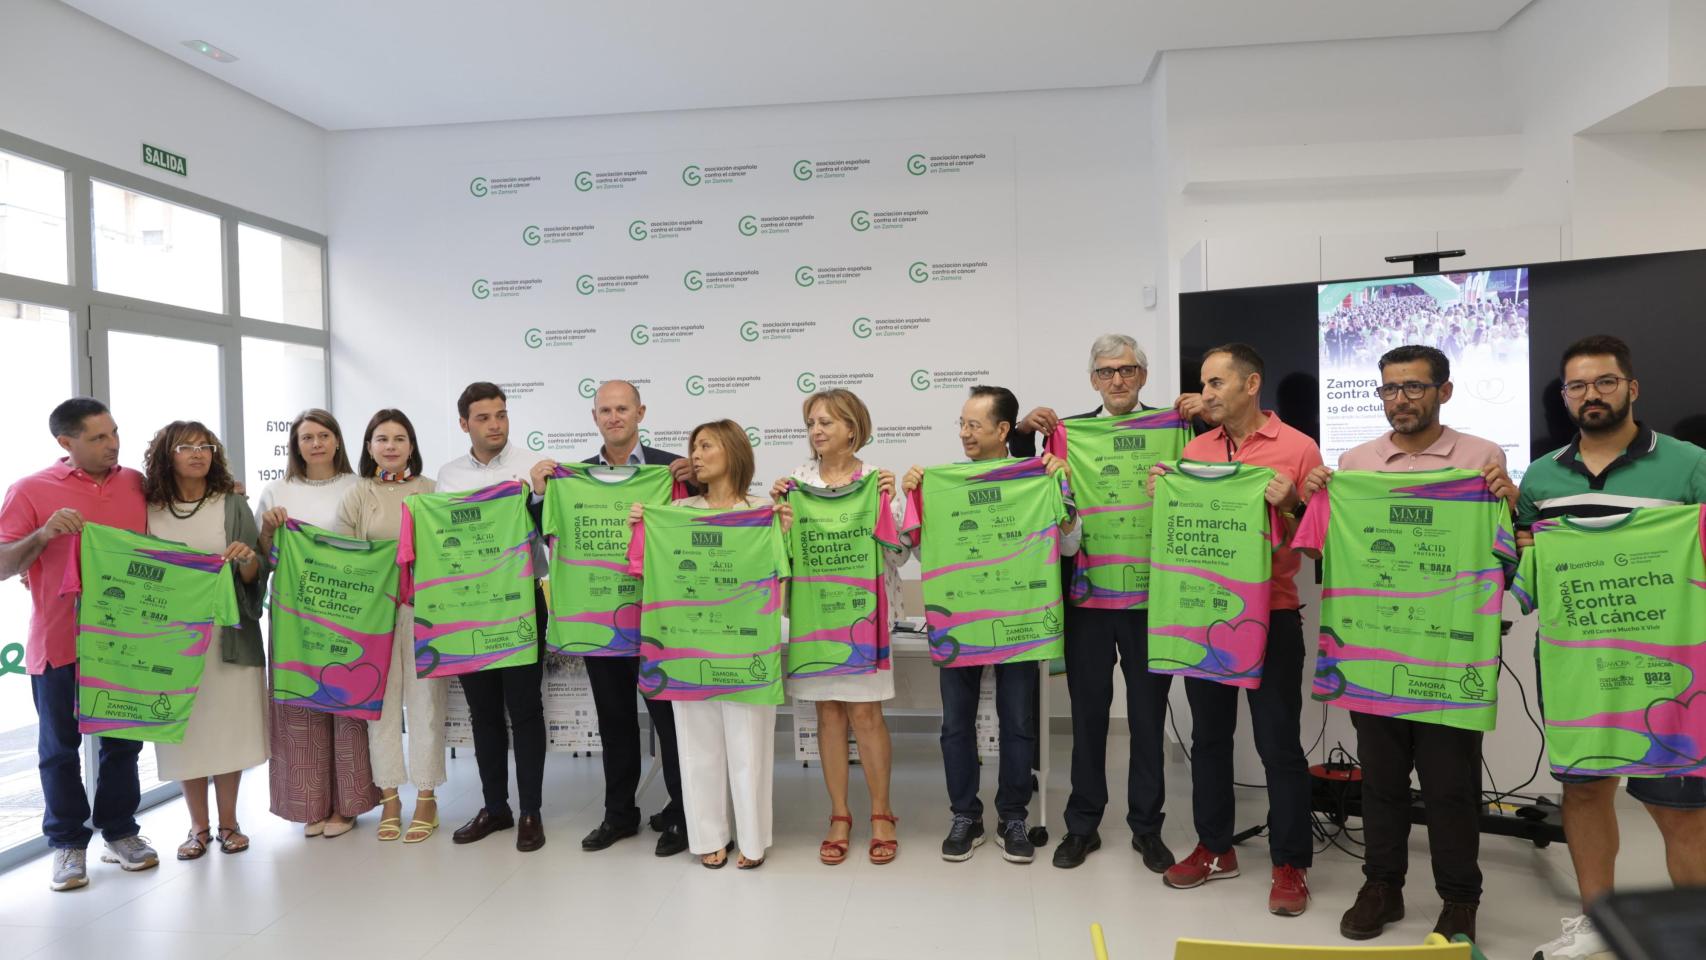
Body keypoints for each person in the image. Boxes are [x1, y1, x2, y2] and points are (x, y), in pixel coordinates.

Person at [1297, 346, 1515, 943]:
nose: (1401, 400)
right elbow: (1325, 553)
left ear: (1444, 391)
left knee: (1450, 784)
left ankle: (1459, 899)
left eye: (1414, 388)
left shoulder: (1481, 458)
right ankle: (1382, 886)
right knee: (1382, 780)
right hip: (1375, 648)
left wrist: (1508, 501)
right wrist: (1316, 497)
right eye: (1390, 389)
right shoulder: (1356, 461)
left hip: (1449, 652)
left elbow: (1505, 553)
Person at [1518, 336, 1706, 960]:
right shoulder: (1541, 476)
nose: (1591, 395)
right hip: (1576, 666)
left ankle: (1694, 929)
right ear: (1565, 396)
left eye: (1604, 382)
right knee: (1585, 792)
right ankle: (1597, 918)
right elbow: (1526, 558)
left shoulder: (1689, 464)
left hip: (1669, 669)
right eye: (1577, 386)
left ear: (1632, 387)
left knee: (1681, 811)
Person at [1154, 343, 1322, 917]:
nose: (1207, 394)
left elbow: (1316, 540)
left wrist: (1294, 503)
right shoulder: (1196, 448)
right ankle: (1214, 847)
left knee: (1279, 745)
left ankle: (1290, 862)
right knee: (1209, 739)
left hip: (1272, 612)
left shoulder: (1298, 448)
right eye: (1204, 384)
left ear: (1252, 384)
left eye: (1217, 383)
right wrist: (1165, 497)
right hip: (1203, 614)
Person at [1008, 333, 1179, 874]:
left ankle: (1146, 827)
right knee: (1087, 718)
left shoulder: (1176, 429)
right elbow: (1022, 480)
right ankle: (1082, 825)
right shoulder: (1066, 435)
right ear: (1093, 380)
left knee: (1149, 720)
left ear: (1143, 376)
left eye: (1127, 370)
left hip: (1153, 601)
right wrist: (1022, 434)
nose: (1118, 380)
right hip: (1087, 600)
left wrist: (1202, 416)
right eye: (1106, 372)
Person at [902, 385, 1078, 865]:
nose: (964, 434)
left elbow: (1067, 545)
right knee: (955, 726)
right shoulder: (944, 482)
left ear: (1003, 430)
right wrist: (913, 497)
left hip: (1018, 621)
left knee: (1018, 724)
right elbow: (921, 553)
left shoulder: (1036, 477)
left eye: (974, 425)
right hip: (960, 621)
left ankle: (1013, 815)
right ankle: (965, 815)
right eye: (960, 424)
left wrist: (1063, 490)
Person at [528, 379, 694, 857]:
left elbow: (700, 525)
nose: (614, 417)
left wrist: (695, 481)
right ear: (595, 417)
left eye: (623, 408)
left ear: (641, 411)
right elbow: (547, 536)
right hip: (600, 622)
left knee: (670, 722)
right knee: (615, 720)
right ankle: (619, 814)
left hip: (662, 620)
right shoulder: (572, 478)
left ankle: (683, 815)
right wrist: (540, 494)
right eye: (605, 410)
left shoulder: (670, 470)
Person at [0, 399, 158, 890]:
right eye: (98, 438)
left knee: (123, 745)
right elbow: (3, 563)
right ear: (65, 443)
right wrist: (45, 535)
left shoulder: (137, 483)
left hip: (126, 642)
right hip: (59, 641)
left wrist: (226, 493)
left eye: (114, 433)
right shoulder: (30, 490)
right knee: (58, 750)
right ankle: (68, 845)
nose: (112, 444)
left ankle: (120, 832)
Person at [631, 419, 789, 868]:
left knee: (749, 744)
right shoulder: (675, 515)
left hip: (746, 645)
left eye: (706, 446)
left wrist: (784, 528)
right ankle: (708, 837)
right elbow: (647, 570)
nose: (695, 456)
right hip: (687, 643)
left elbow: (782, 574)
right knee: (696, 745)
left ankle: (753, 841)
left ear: (734, 453)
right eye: (693, 447)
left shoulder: (764, 511)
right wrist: (644, 526)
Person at [768, 389, 905, 866]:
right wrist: (779, 521)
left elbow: (900, 553)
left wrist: (891, 505)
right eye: (811, 423)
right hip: (816, 621)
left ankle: (883, 814)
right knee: (827, 713)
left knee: (866, 715)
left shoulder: (877, 480)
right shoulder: (794, 485)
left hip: (866, 620)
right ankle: (840, 815)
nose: (817, 430)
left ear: (853, 427)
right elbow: (778, 557)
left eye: (826, 421)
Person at [143, 422, 269, 860]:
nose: (197, 454)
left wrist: (248, 559)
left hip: (228, 637)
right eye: (186, 446)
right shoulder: (149, 507)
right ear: (167, 454)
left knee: (228, 729)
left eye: (205, 446)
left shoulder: (233, 503)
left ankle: (230, 823)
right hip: (173, 639)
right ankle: (197, 827)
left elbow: (257, 575)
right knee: (185, 730)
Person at [434, 383, 548, 853]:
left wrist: (538, 496)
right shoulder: (448, 475)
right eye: (483, 417)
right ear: (464, 423)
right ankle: (495, 807)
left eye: (501, 415)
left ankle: (530, 813)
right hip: (468, 608)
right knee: (483, 714)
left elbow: (552, 535)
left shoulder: (533, 467)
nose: (495, 424)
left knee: (524, 711)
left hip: (522, 599)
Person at [256, 409, 380, 840]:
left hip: (350, 612)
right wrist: (271, 534)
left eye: (324, 434)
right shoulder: (276, 491)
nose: (316, 443)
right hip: (295, 615)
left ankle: (348, 805)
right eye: (307, 437)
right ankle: (310, 802)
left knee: (348, 705)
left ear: (338, 440)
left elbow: (370, 547)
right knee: (300, 706)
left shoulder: (359, 486)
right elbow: (265, 559)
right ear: (296, 444)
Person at [335, 409, 445, 843]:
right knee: (378, 710)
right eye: (382, 439)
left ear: (412, 446)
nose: (391, 446)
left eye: (400, 438)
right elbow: (343, 554)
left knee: (426, 705)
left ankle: (426, 798)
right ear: (368, 447)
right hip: (373, 616)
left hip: (424, 612)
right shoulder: (357, 494)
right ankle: (389, 798)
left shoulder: (433, 491)